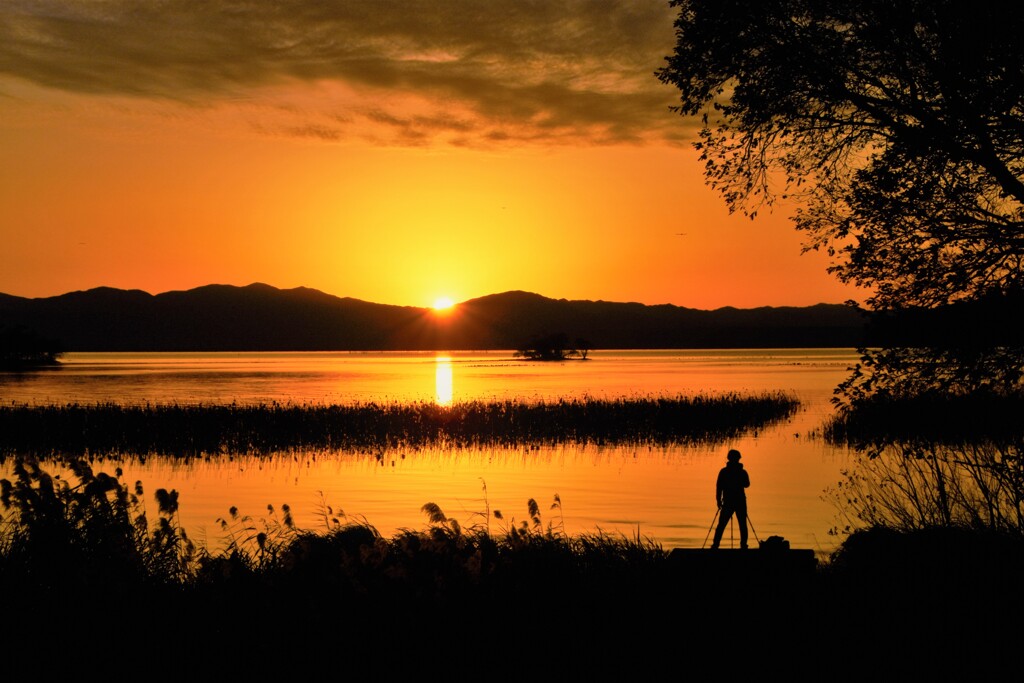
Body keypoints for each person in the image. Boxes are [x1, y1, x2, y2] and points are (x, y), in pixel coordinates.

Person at [711, 448, 750, 549]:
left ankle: (716, 545)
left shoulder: (725, 471)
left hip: (731, 501)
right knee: (741, 524)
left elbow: (719, 487)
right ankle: (743, 545)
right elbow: (747, 484)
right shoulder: (741, 472)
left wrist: (718, 500)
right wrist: (719, 500)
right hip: (738, 501)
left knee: (723, 525)